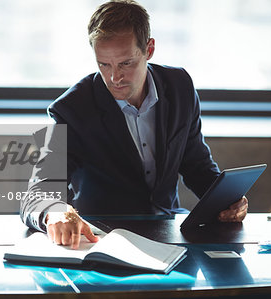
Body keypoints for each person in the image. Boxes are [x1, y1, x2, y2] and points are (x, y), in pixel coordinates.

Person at [20, 0, 248, 249]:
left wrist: (227, 201)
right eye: (103, 64)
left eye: (125, 63)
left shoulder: (179, 87)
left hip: (170, 230)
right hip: (104, 239)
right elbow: (39, 191)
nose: (114, 78)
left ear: (149, 49)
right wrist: (55, 211)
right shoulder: (72, 109)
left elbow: (197, 166)